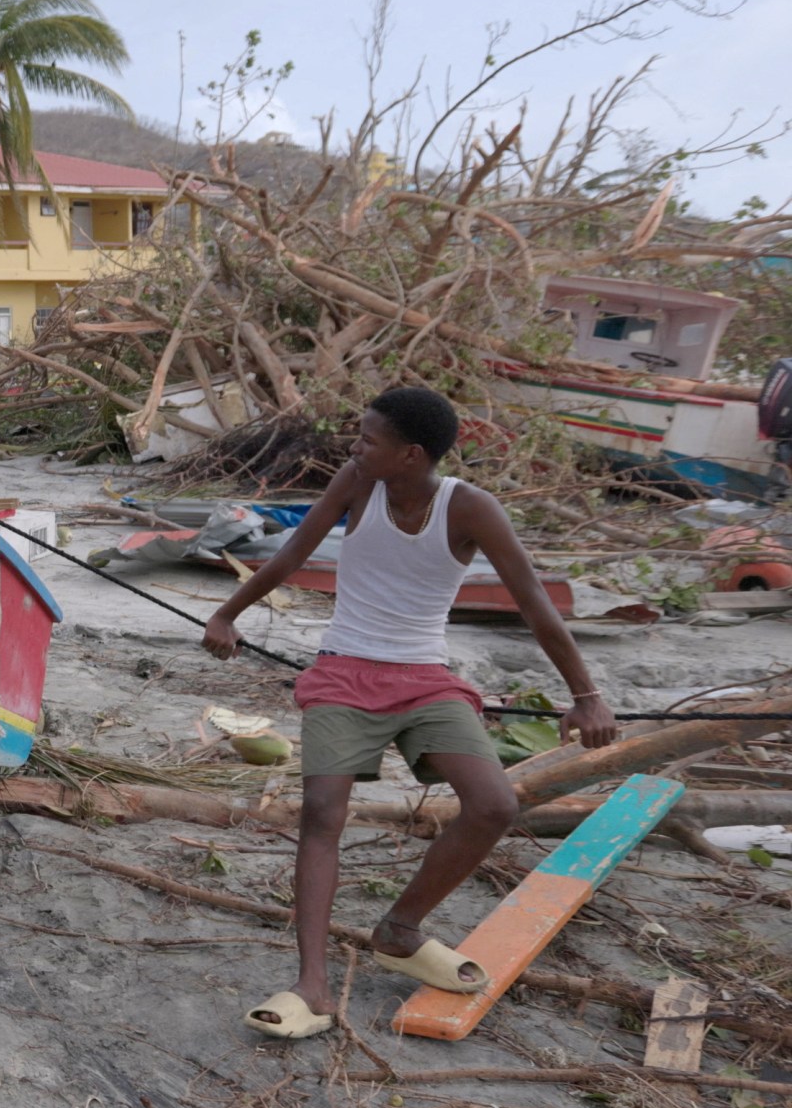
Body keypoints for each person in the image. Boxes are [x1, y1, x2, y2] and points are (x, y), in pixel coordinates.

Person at [201, 387, 617, 1038]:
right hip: (342, 670)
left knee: (493, 805)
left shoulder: (471, 508)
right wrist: (227, 614)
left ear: (410, 455)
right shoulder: (356, 484)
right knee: (322, 812)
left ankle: (400, 929)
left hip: (426, 679)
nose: (355, 448)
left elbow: (534, 600)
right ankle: (311, 983)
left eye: (368, 440)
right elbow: (292, 554)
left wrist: (587, 696)